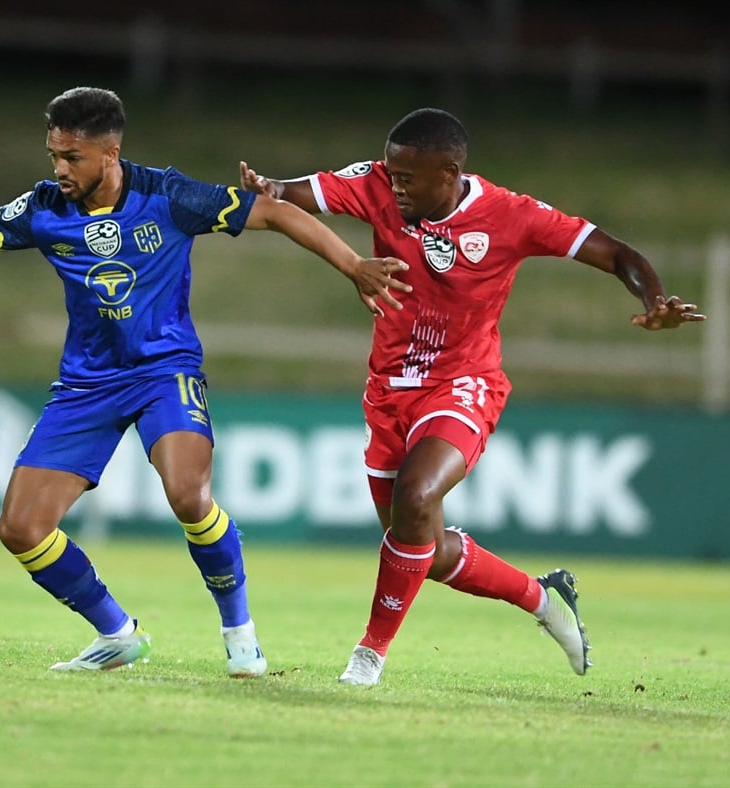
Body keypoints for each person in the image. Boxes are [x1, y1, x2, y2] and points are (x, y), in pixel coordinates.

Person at [0, 86, 410, 678]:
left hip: (165, 370)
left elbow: (275, 212)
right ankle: (117, 633)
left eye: (71, 157)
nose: (58, 169)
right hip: (87, 383)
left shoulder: (168, 194)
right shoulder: (44, 209)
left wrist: (353, 265)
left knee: (188, 494)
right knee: (21, 528)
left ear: (110, 154)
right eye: (53, 154)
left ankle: (241, 633)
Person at [240, 107, 706, 685]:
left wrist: (654, 298)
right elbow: (304, 192)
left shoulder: (510, 215)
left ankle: (369, 654)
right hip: (388, 391)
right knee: (422, 549)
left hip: (464, 383)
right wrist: (271, 187)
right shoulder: (379, 183)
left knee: (415, 497)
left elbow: (615, 253)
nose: (396, 185)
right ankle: (542, 598)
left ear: (450, 172)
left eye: (408, 177)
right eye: (392, 173)